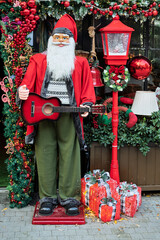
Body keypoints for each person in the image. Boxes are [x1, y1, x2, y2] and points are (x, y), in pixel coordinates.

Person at [17, 14, 96, 216]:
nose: (60, 42)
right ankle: (47, 198)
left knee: (70, 153)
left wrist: (87, 104)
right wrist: (22, 91)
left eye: (65, 38)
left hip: (69, 114)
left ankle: (70, 197)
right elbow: (27, 82)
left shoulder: (80, 63)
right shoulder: (37, 59)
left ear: (71, 41)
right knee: (45, 153)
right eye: (57, 38)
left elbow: (87, 88)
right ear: (51, 39)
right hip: (43, 116)